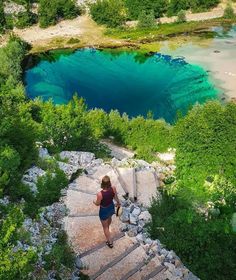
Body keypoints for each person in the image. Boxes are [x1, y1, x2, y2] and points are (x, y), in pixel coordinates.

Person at [93, 175, 121, 248]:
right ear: (109, 182)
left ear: (102, 183)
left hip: (104, 210)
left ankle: (110, 242)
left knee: (105, 227)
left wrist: (94, 202)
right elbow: (115, 197)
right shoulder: (113, 188)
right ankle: (107, 229)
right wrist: (118, 203)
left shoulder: (100, 194)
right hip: (111, 207)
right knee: (109, 218)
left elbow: (97, 204)